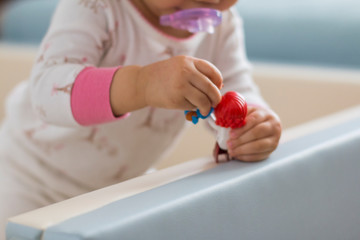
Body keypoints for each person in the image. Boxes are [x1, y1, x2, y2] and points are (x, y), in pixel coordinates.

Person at [0, 0, 282, 238]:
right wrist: (141, 85)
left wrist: (253, 120)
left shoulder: (221, 22)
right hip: (29, 180)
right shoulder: (96, 6)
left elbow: (234, 88)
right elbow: (46, 91)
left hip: (122, 189)